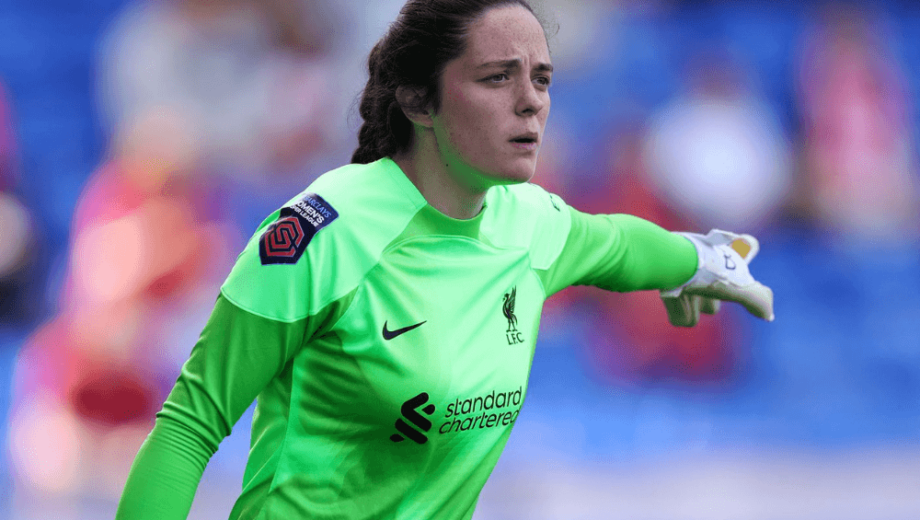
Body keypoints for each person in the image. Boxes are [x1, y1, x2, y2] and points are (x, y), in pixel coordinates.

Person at [116, 1, 774, 518]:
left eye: (540, 79)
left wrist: (707, 262)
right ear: (418, 101)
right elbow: (188, 428)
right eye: (495, 78)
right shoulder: (319, 238)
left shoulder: (530, 222)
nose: (531, 103)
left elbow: (623, 246)